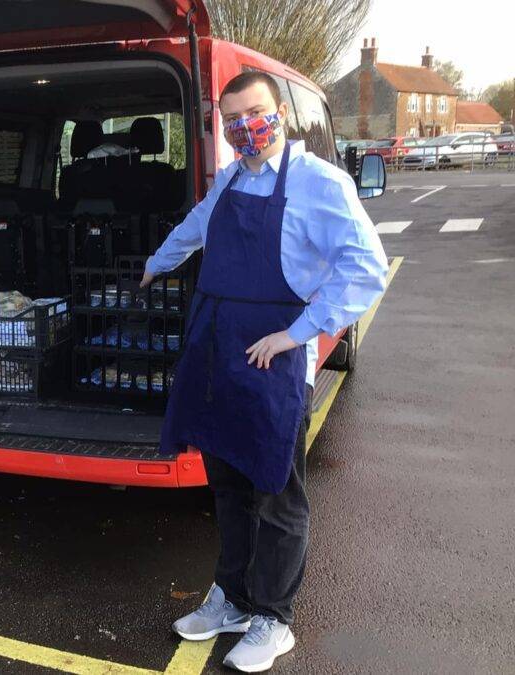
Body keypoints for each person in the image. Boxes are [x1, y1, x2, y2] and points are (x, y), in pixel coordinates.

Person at [140, 72, 388, 673]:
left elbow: (368, 267)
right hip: (221, 355)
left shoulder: (318, 183)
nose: (244, 127)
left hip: (274, 363)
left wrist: (298, 334)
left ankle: (274, 619)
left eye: (253, 113)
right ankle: (232, 598)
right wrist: (154, 265)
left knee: (275, 493)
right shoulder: (230, 179)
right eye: (231, 120)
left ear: (279, 112)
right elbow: (196, 226)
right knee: (228, 486)